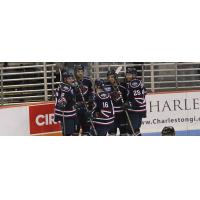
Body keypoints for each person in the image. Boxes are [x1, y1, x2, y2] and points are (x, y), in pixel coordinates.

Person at [104, 69, 128, 136]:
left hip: (122, 114)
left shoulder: (122, 86)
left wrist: (126, 103)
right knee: (112, 133)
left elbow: (127, 98)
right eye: (108, 77)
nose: (110, 79)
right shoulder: (105, 86)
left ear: (115, 77)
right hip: (111, 115)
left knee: (124, 133)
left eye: (112, 77)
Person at [54, 71, 78, 136]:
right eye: (69, 79)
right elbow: (61, 103)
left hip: (70, 114)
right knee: (67, 134)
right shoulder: (65, 88)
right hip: (66, 115)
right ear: (65, 79)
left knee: (72, 132)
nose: (72, 80)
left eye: (72, 78)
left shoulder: (67, 87)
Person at [125, 67, 147, 136]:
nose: (127, 76)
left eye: (129, 74)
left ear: (134, 75)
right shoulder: (138, 81)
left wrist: (129, 104)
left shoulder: (134, 83)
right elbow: (145, 91)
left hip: (136, 110)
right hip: (140, 109)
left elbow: (138, 99)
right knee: (135, 129)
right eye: (127, 74)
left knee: (133, 130)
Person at [74, 64, 93, 136]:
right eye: (78, 71)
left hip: (86, 108)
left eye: (81, 71)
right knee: (75, 131)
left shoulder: (87, 81)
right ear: (75, 72)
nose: (80, 73)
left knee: (86, 130)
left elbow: (91, 92)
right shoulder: (73, 82)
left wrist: (91, 98)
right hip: (76, 110)